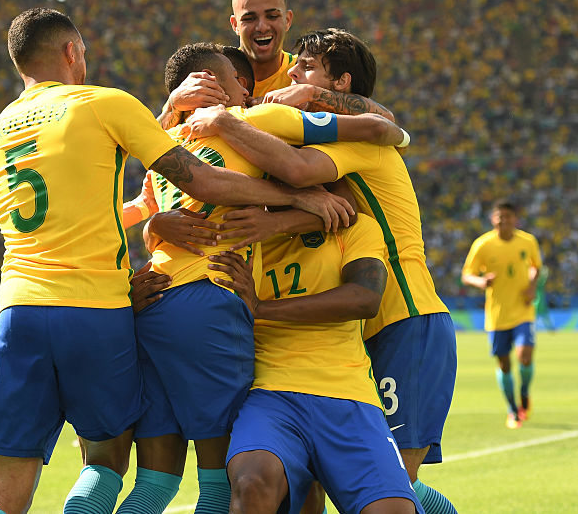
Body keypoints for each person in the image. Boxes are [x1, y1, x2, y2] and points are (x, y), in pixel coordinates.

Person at [0, 8, 353, 514]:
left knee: (21, 488)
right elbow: (198, 179)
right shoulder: (111, 105)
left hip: (30, 309)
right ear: (71, 52)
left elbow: (112, 190)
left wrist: (153, 210)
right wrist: (294, 196)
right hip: (120, 308)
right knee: (148, 467)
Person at [118, 41, 405, 514]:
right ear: (214, 85)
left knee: (148, 481)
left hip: (152, 310)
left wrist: (151, 228)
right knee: (224, 483)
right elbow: (381, 130)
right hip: (231, 337)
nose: (248, 93)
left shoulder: (164, 151)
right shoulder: (256, 128)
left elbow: (135, 209)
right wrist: (297, 197)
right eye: (239, 83)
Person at [184, 28, 457, 514]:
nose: (291, 73)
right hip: (365, 334)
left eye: (306, 68)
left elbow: (300, 170)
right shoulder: (347, 149)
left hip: (403, 314)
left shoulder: (357, 145)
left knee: (398, 488)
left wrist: (227, 121)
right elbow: (335, 201)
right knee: (349, 482)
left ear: (340, 84)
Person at [217, 215, 423, 514]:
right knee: (252, 484)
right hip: (271, 394)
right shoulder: (246, 234)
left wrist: (261, 307)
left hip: (349, 396)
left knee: (394, 510)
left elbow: (365, 298)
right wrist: (153, 227)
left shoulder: (353, 227)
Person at [158, 0, 394, 129]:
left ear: (288, 20)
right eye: (249, 18)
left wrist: (310, 93)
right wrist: (172, 104)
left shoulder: (306, 75)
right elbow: (155, 144)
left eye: (272, 16)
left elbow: (385, 120)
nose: (262, 26)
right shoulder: (211, 72)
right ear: (234, 25)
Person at [462, 200, 543, 429]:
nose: (503, 220)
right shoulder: (483, 244)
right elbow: (467, 274)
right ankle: (512, 408)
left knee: (525, 355)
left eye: (507, 216)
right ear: (492, 219)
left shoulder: (527, 241)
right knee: (504, 364)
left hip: (523, 310)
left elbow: (537, 266)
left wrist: (532, 286)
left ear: (515, 219)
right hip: (497, 315)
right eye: (499, 216)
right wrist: (481, 281)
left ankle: (524, 393)